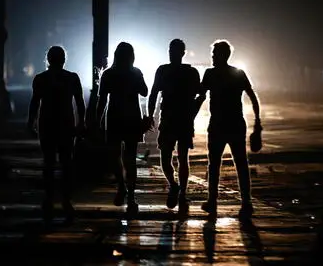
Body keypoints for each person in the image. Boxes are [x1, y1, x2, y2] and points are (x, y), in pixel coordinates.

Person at [199, 40, 261, 219]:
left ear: (221, 55)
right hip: (235, 123)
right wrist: (257, 122)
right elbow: (253, 97)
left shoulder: (210, 74)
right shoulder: (238, 73)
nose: (211, 57)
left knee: (215, 164)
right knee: (241, 163)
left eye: (214, 54)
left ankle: (212, 201)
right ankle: (246, 202)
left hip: (219, 124)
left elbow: (200, 95)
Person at [27, 46, 86, 223]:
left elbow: (34, 103)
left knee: (49, 163)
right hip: (66, 125)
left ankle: (49, 199)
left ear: (48, 59)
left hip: (47, 125)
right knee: (67, 164)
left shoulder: (40, 79)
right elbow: (80, 103)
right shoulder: (72, 78)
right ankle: (66, 200)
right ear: (63, 60)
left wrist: (31, 123)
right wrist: (81, 123)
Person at [147, 39, 204, 212]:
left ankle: (181, 192)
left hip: (179, 119)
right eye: (171, 50)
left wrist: (192, 113)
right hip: (175, 118)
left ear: (181, 53)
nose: (172, 53)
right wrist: (150, 115)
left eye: (174, 51)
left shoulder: (186, 72)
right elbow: (154, 93)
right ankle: (174, 186)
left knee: (181, 157)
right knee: (168, 157)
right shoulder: (169, 71)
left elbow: (201, 95)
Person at [96, 42, 148, 214]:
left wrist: (97, 120)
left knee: (114, 155)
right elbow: (145, 92)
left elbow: (102, 100)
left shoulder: (108, 74)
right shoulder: (135, 72)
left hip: (114, 118)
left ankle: (121, 186)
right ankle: (131, 195)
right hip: (133, 118)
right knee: (130, 157)